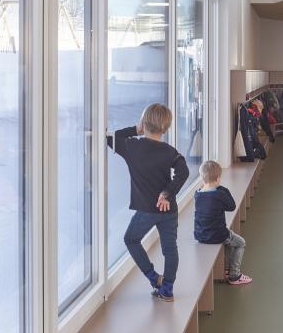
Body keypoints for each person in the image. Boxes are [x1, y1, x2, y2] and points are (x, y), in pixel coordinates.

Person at [107, 103, 188, 302]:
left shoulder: (132, 147)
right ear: (165, 129)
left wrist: (135, 130)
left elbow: (110, 137)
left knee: (131, 240)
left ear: (143, 123)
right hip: (168, 208)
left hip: (147, 210)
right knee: (170, 249)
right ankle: (167, 289)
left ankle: (154, 278)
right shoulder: (169, 151)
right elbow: (184, 172)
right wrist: (167, 193)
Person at [194, 160, 252, 285]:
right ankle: (235, 275)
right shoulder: (219, 193)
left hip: (200, 234)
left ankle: (226, 270)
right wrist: (222, 188)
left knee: (229, 240)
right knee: (241, 243)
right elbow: (231, 206)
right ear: (218, 178)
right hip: (216, 235)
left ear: (202, 178)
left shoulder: (197, 194)